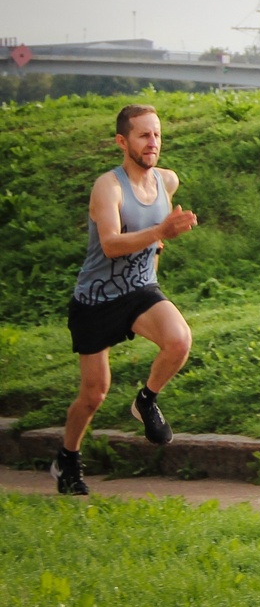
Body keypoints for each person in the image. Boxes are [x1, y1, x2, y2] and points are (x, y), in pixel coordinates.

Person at [51, 104, 198, 495]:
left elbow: (154, 238)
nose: (153, 143)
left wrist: (159, 243)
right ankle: (67, 458)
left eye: (157, 135)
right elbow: (111, 244)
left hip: (139, 292)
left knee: (179, 340)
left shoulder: (167, 182)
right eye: (143, 135)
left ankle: (146, 401)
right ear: (122, 141)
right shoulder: (108, 187)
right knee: (93, 394)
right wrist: (159, 231)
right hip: (96, 300)